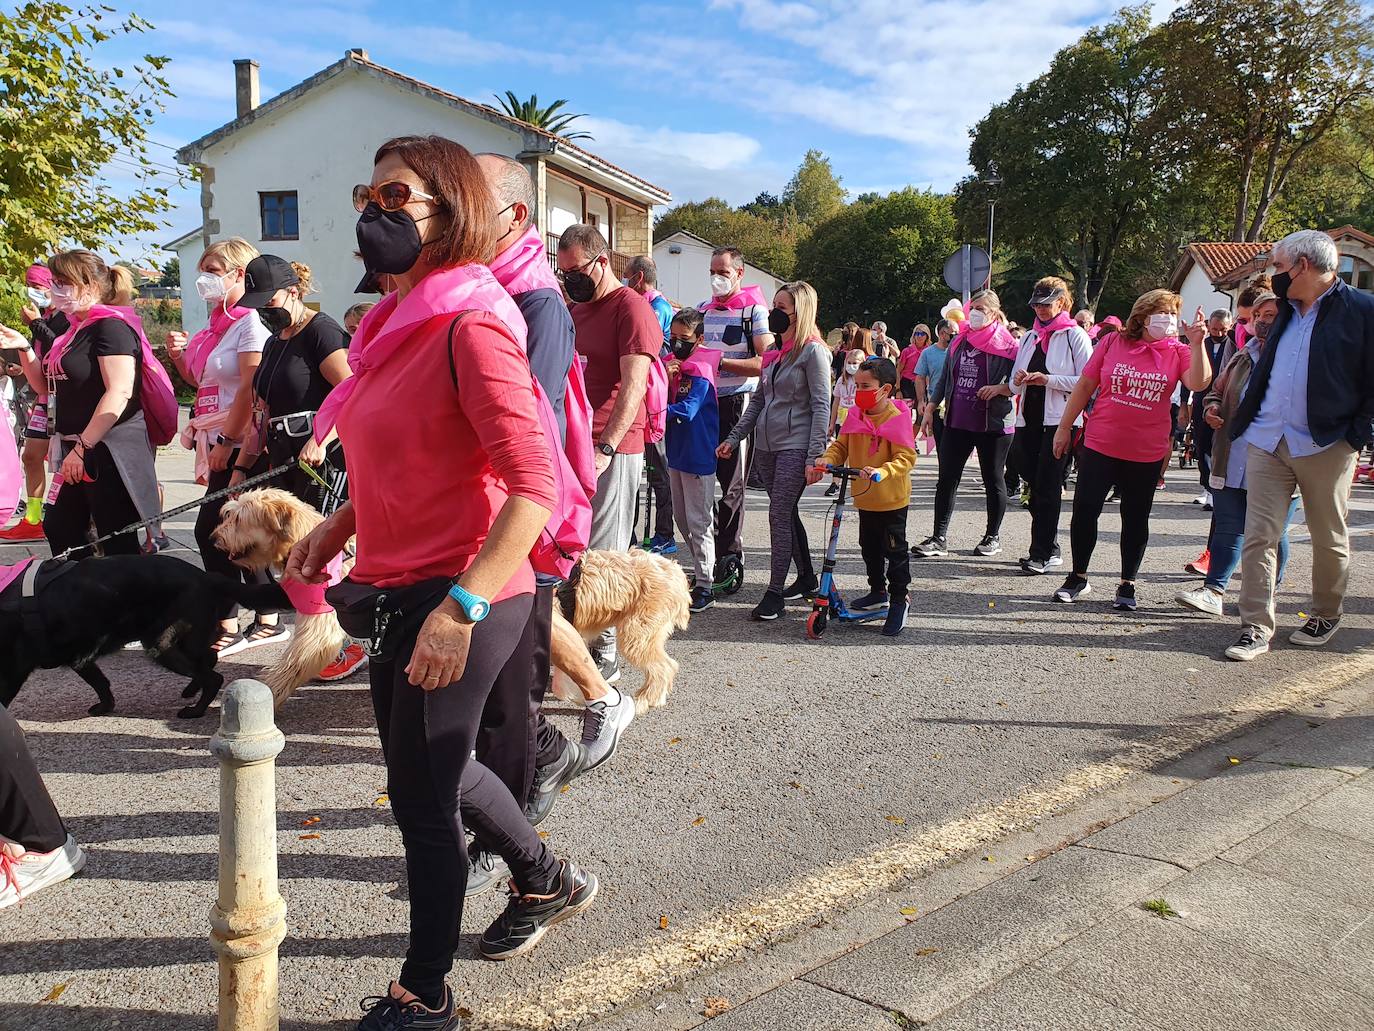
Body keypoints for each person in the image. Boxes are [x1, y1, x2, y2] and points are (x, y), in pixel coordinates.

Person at [289, 134, 598, 1028]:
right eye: (369, 195)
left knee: (424, 801)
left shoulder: (473, 321)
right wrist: (342, 524)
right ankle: (544, 877)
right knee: (426, 769)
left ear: (451, 211)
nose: (372, 215)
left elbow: (533, 486)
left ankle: (423, 995)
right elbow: (410, 451)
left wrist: (461, 607)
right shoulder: (396, 326)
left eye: (396, 199)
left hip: (469, 586)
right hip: (394, 577)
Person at [475, 152, 630, 844]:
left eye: (467, 201)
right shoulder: (486, 293)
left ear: (514, 216)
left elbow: (520, 430)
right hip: (485, 519)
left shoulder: (539, 304)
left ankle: (526, 862)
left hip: (527, 519)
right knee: (498, 700)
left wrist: (603, 446)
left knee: (510, 696)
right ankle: (536, 771)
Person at [1224, 230, 1374, 661]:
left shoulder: (1362, 310)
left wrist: (1356, 434)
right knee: (1259, 536)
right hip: (1267, 438)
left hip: (1327, 443)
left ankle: (1325, 612)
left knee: (1328, 535)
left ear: (1303, 266)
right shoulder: (1283, 311)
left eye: (1278, 266)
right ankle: (1255, 627)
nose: (1274, 275)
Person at [1049, 290, 1211, 609]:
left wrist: (1197, 342)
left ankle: (1127, 583)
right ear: (1143, 316)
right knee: (1085, 510)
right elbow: (1085, 385)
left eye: (1172, 314)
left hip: (1146, 450)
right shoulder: (1111, 343)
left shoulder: (1178, 350)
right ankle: (1078, 576)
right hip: (1100, 442)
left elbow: (1199, 383)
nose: (1168, 320)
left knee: (1135, 517)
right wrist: (1064, 427)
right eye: (1162, 313)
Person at [165, 237, 283, 656]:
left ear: (239, 274)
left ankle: (253, 620)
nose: (204, 280)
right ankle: (245, 619)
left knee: (221, 531)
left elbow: (251, 388)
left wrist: (230, 443)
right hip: (220, 434)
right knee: (229, 533)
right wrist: (180, 359)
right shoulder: (221, 325)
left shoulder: (250, 323)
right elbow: (207, 384)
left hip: (243, 439)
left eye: (213, 271)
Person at [0, 252, 161, 558]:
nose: (55, 290)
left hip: (106, 449)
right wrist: (23, 346)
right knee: (61, 526)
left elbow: (120, 391)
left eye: (63, 283)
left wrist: (83, 446)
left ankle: (123, 600)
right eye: (54, 283)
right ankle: (83, 595)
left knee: (115, 536)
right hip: (75, 447)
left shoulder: (111, 328)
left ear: (88, 285)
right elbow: (44, 385)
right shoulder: (73, 330)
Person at [558, 224, 659, 681]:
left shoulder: (631, 309)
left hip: (611, 446)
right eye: (563, 274)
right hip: (574, 443)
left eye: (575, 271)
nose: (569, 281)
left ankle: (606, 654)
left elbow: (634, 385)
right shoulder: (578, 308)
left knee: (606, 553)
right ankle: (576, 644)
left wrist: (606, 446)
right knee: (573, 551)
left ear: (602, 261)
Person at [1176, 293, 1299, 616]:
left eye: (1270, 314)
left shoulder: (1300, 356)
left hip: (1280, 460)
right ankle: (1214, 590)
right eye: (1256, 315)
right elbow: (1216, 389)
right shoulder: (1245, 353)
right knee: (1229, 526)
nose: (1260, 321)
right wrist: (1213, 406)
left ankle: (1269, 591)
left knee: (1271, 533)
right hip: (1232, 456)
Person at [718, 281, 830, 620]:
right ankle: (807, 576)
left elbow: (822, 405)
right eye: (775, 305)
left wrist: (815, 456)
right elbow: (759, 402)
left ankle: (774, 593)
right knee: (785, 512)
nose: (773, 314)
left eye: (782, 308)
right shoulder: (772, 354)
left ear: (800, 312)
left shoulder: (814, 352)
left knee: (778, 514)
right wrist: (735, 437)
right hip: (766, 445)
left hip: (795, 446)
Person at [234, 258, 352, 514]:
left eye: (269, 302)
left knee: (313, 547)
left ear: (293, 292)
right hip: (282, 461)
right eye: (258, 306)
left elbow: (353, 391)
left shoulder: (323, 332)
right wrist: (242, 468)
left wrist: (321, 439)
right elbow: (260, 412)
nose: (264, 311)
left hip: (323, 463)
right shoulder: (273, 342)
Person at [812, 356, 916, 636]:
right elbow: (842, 446)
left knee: (895, 552)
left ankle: (898, 600)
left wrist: (885, 470)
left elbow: (906, 457)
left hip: (891, 499)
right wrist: (826, 458)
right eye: (857, 385)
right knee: (869, 547)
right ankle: (877, 591)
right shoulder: (855, 415)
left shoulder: (897, 418)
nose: (859, 391)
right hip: (864, 497)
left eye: (866, 385)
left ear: (885, 389)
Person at [916, 290, 1019, 558]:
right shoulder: (959, 340)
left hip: (993, 423)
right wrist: (930, 408)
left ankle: (992, 537)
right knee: (947, 479)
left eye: (982, 308)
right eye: (973, 307)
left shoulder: (1008, 345)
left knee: (993, 479)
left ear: (994, 313)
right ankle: (939, 538)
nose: (974, 312)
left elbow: (1019, 383)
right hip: (957, 419)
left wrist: (1000, 388)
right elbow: (943, 380)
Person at [698, 246, 773, 590]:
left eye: (724, 272)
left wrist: (721, 363)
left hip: (735, 402)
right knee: (701, 480)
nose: (716, 277)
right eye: (713, 270)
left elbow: (765, 361)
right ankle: (706, 557)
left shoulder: (754, 311)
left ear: (739, 273)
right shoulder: (702, 310)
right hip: (702, 400)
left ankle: (730, 556)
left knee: (730, 484)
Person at [1009, 278, 1093, 574]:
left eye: (1047, 304)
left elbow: (1088, 383)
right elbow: (1012, 381)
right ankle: (1050, 545)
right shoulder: (1030, 336)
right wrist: (1018, 380)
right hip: (1027, 418)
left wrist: (1049, 380)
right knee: (1029, 478)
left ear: (1062, 303)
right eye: (1037, 304)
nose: (1041, 309)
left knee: (1047, 485)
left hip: (1059, 421)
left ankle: (1041, 552)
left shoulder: (1074, 335)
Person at [0, 265, 68, 542]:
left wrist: (34, 325)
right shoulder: (47, 316)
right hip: (44, 397)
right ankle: (33, 518)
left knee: (64, 461)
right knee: (30, 456)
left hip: (65, 398)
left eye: (38, 287)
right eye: (30, 285)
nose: (33, 292)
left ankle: (73, 517)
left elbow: (61, 350)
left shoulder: (66, 316)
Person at [664, 309, 720, 613]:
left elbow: (687, 409)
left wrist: (656, 408)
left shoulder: (700, 372)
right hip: (676, 453)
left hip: (698, 456)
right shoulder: (675, 368)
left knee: (699, 522)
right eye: (673, 337)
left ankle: (705, 584)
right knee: (682, 520)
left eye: (683, 339)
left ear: (699, 339)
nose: (676, 344)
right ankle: (701, 570)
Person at [623, 254, 676, 555]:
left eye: (627, 276)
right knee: (634, 471)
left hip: (652, 396)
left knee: (658, 469)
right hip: (637, 395)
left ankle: (665, 533)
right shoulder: (642, 305)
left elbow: (642, 345)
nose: (624, 281)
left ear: (638, 278)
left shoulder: (658, 308)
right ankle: (628, 532)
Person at [826, 348, 865, 496]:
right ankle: (835, 482)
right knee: (841, 448)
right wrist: (832, 422)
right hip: (843, 418)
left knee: (856, 450)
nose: (851, 366)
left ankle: (857, 480)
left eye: (855, 363)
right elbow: (836, 401)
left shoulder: (863, 382)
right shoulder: (842, 381)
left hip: (857, 419)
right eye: (849, 363)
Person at [914, 320, 953, 450]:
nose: (956, 337)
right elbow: (919, 378)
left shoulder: (959, 351)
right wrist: (921, 401)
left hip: (956, 404)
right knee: (941, 445)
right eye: (953, 334)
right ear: (942, 333)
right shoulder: (927, 353)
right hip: (937, 404)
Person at [897, 325, 929, 401]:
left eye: (922, 334)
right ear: (913, 336)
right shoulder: (907, 351)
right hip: (907, 384)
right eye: (917, 334)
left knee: (922, 411)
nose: (919, 336)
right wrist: (898, 390)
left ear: (927, 336)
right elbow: (898, 371)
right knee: (907, 410)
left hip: (924, 384)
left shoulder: (929, 351)